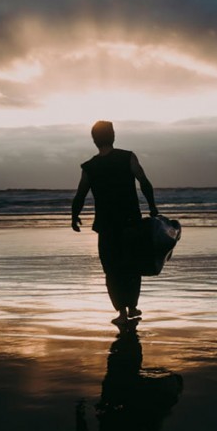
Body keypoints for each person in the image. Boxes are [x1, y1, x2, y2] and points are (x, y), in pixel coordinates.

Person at [71, 120, 159, 326]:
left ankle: (121, 312)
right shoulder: (128, 157)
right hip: (130, 222)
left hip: (106, 225)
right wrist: (153, 206)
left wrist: (74, 216)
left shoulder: (90, 166)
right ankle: (132, 306)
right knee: (132, 265)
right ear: (113, 136)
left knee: (111, 269)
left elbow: (80, 194)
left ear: (94, 140)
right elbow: (144, 182)